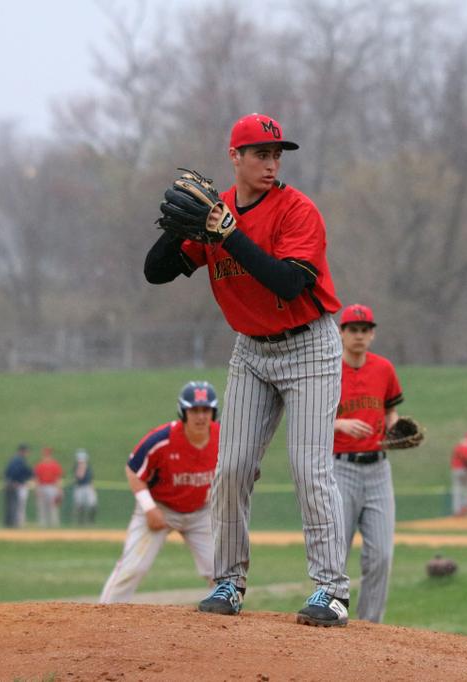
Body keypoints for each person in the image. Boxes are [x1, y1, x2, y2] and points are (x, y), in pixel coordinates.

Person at [144, 113, 349, 626]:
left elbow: (287, 283)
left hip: (309, 347)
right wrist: (177, 230)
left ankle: (332, 590)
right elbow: (155, 273)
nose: (271, 162)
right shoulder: (220, 214)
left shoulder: (297, 210)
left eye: (277, 153)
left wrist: (228, 234)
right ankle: (228, 581)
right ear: (234, 157)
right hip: (252, 352)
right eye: (260, 153)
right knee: (231, 468)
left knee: (309, 469)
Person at [99, 381, 221, 603]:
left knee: (221, 572)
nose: (201, 416)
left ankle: (230, 626)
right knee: (133, 568)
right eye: (194, 410)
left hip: (201, 512)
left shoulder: (224, 439)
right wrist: (149, 507)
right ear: (183, 412)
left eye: (206, 410)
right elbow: (133, 470)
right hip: (160, 507)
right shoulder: (161, 440)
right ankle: (103, 616)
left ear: (214, 412)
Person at [332, 303, 404, 623]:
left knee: (381, 556)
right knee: (335, 553)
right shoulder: (328, 368)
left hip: (378, 470)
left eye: (364, 330)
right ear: (341, 332)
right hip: (340, 468)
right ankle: (332, 613)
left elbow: (391, 410)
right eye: (352, 330)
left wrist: (393, 426)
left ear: (372, 334)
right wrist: (339, 424)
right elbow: (308, 416)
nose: (358, 335)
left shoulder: (384, 369)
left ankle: (369, 627)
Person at [3, 443, 33, 528]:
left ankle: (10, 523)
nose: (27, 453)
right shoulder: (19, 460)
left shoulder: (14, 459)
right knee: (16, 505)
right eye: (26, 451)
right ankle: (15, 523)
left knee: (11, 505)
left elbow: (7, 472)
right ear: (22, 451)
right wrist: (16, 481)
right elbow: (20, 471)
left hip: (10, 483)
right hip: (15, 484)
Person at [34, 446, 64, 527]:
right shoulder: (40, 465)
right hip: (43, 486)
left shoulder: (54, 465)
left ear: (50, 455)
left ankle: (54, 524)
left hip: (52, 487)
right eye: (45, 454)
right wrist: (37, 489)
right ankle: (43, 524)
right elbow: (37, 479)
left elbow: (58, 479)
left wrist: (59, 490)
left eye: (48, 454)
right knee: (42, 507)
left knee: (53, 507)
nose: (46, 456)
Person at [72, 448, 98, 525]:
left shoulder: (89, 468)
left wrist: (93, 488)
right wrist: (81, 467)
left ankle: (91, 521)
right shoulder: (77, 467)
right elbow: (79, 477)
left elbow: (91, 479)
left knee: (92, 504)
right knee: (80, 505)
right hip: (80, 487)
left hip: (88, 487)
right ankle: (80, 521)